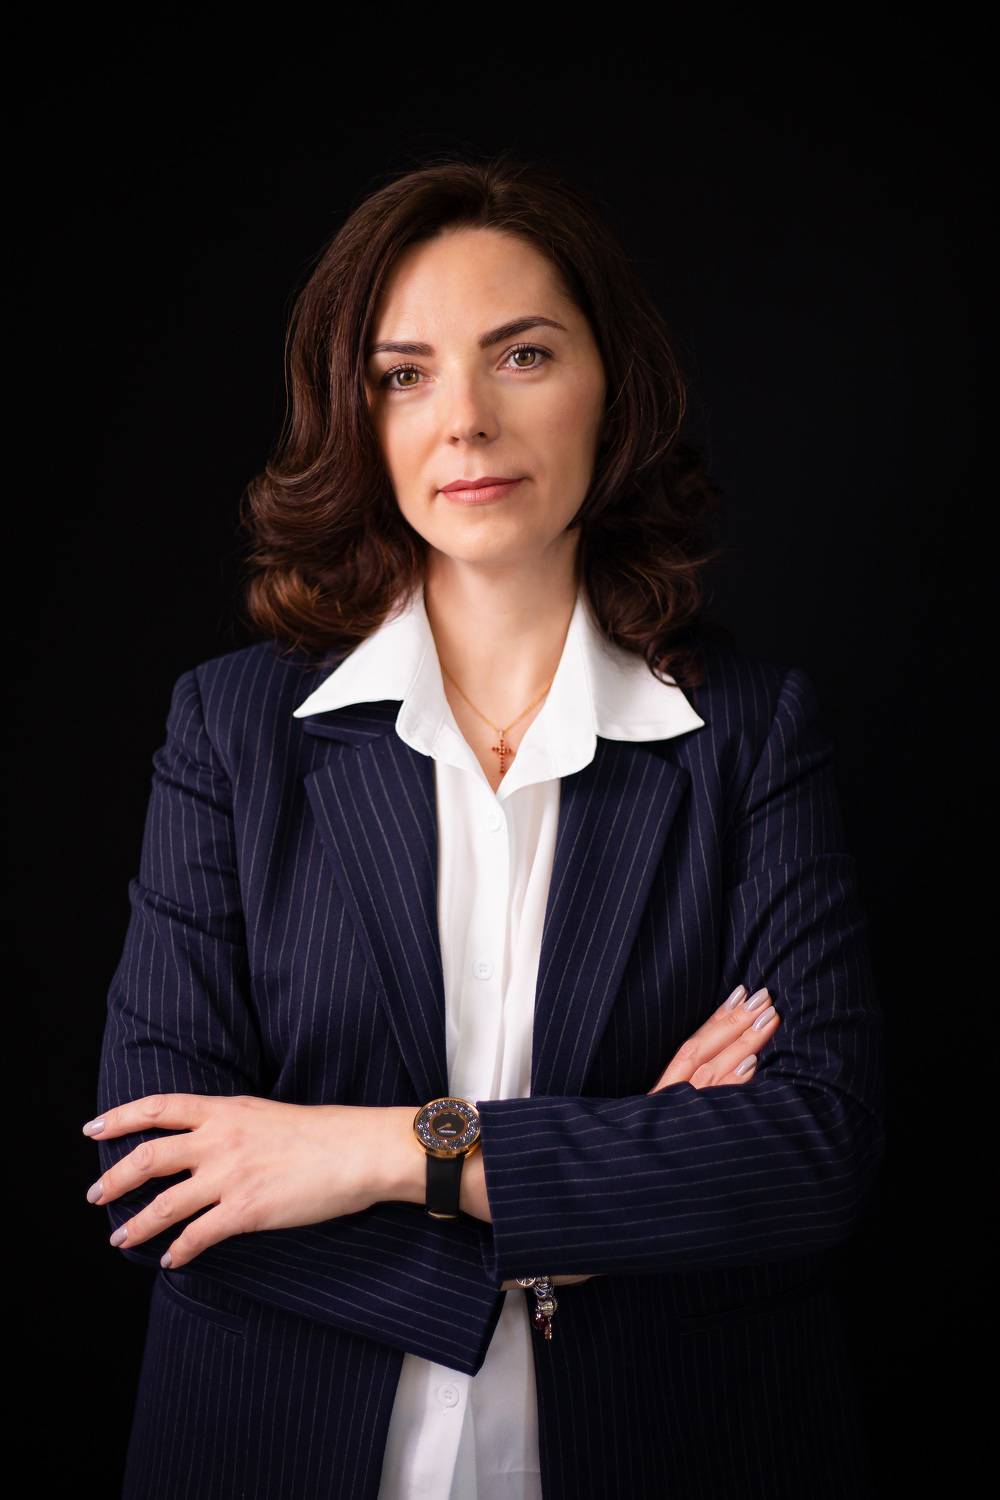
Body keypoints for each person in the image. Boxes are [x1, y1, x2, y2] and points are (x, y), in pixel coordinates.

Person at [84, 154, 885, 1499]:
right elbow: (156, 1172)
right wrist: (591, 1206)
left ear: (612, 387)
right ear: (357, 416)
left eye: (521, 355)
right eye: (404, 375)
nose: (464, 421)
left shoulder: (751, 734)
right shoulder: (230, 731)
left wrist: (375, 1152)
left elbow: (811, 1152)